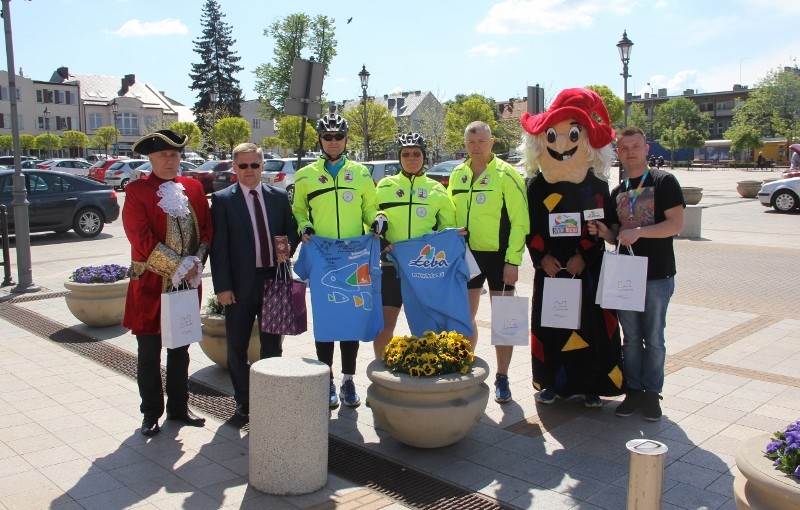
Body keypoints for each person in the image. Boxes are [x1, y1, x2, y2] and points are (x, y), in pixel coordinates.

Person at [519, 87, 624, 408]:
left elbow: (601, 224)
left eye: (572, 135)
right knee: (551, 325)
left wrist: (585, 256)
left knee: (590, 326)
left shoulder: (596, 185)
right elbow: (530, 227)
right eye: (553, 136)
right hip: (550, 269)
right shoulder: (536, 187)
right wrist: (542, 258)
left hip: (588, 270)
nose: (562, 144)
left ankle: (591, 386)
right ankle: (552, 383)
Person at [590, 126, 685, 421]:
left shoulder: (664, 181)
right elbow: (616, 236)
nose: (630, 152)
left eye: (635, 146)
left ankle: (652, 394)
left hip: (657, 275)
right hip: (625, 276)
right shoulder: (617, 192)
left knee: (654, 338)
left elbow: (676, 225)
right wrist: (605, 233)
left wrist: (640, 231)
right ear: (618, 153)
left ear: (646, 149)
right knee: (630, 338)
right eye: (624, 148)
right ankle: (633, 391)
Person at [122, 129, 213, 437]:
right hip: (150, 285)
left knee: (180, 349)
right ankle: (150, 413)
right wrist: (177, 265)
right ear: (151, 159)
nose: (170, 161)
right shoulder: (137, 190)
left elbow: (206, 227)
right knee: (149, 353)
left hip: (186, 284)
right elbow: (139, 237)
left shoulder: (193, 187)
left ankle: (178, 406)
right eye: (163, 155)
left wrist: (197, 260)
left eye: (174, 155)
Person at [292, 113, 382, 408]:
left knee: (351, 318)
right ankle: (326, 379)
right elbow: (299, 210)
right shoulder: (305, 175)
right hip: (323, 257)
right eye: (327, 137)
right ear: (320, 140)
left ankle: (348, 379)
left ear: (346, 139)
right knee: (326, 320)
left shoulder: (361, 173)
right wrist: (303, 225)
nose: (333, 142)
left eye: (338, 136)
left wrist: (378, 219)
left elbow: (371, 208)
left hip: (354, 257)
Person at [210, 143, 299, 419]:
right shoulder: (223, 200)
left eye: (255, 165)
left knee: (272, 345)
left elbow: (291, 230)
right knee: (237, 346)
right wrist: (223, 287)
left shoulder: (278, 196)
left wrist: (287, 247)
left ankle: (270, 397)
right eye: (243, 165)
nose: (249, 170)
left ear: (262, 166)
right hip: (239, 287)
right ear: (234, 168)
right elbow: (218, 248)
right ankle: (244, 401)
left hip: (273, 281)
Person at [448, 121, 529, 403]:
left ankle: (502, 377)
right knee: (464, 316)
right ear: (465, 144)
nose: (476, 147)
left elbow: (521, 221)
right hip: (467, 256)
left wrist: (513, 260)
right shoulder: (457, 174)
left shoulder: (507, 174)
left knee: (505, 319)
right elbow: (449, 215)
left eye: (481, 141)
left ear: (492, 143)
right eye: (471, 142)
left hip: (499, 257)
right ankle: (466, 367)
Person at [372, 132, 457, 358]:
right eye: (406, 154)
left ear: (424, 157)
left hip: (423, 269)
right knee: (384, 325)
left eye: (416, 154)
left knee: (426, 328)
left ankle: (428, 370)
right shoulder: (385, 186)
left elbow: (448, 228)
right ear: (399, 157)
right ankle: (380, 369)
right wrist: (381, 241)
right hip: (391, 264)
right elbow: (369, 219)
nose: (411, 158)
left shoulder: (436, 189)